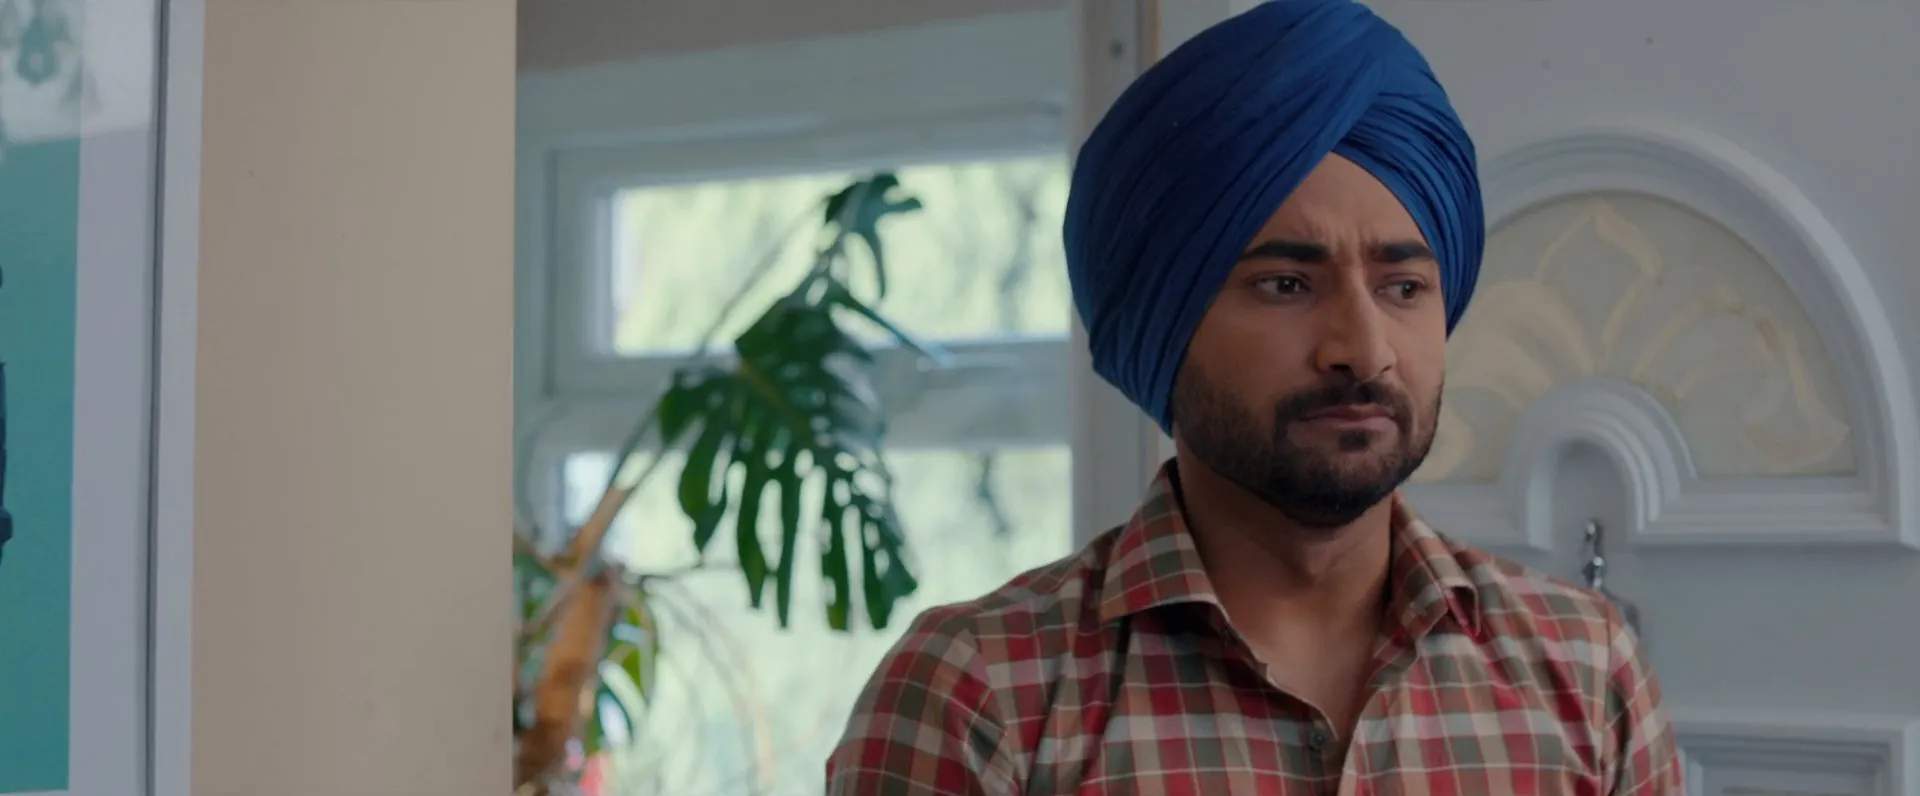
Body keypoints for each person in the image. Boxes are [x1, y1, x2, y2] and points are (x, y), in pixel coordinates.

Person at [827, 0, 1684, 793]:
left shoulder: (1585, 668)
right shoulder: (979, 695)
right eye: (1284, 285)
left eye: (1404, 287)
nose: (1364, 352)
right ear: (1165, 323)